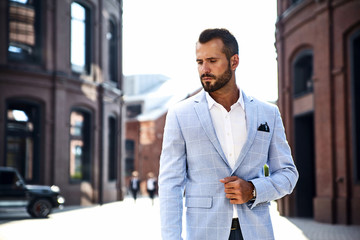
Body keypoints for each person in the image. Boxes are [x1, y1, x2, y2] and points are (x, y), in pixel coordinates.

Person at [158, 28, 299, 240]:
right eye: (199, 62)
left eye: (212, 60)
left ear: (234, 62)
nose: (204, 69)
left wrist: (253, 189)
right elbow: (171, 185)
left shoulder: (267, 113)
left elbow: (288, 174)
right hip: (204, 233)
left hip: (256, 232)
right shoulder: (180, 115)